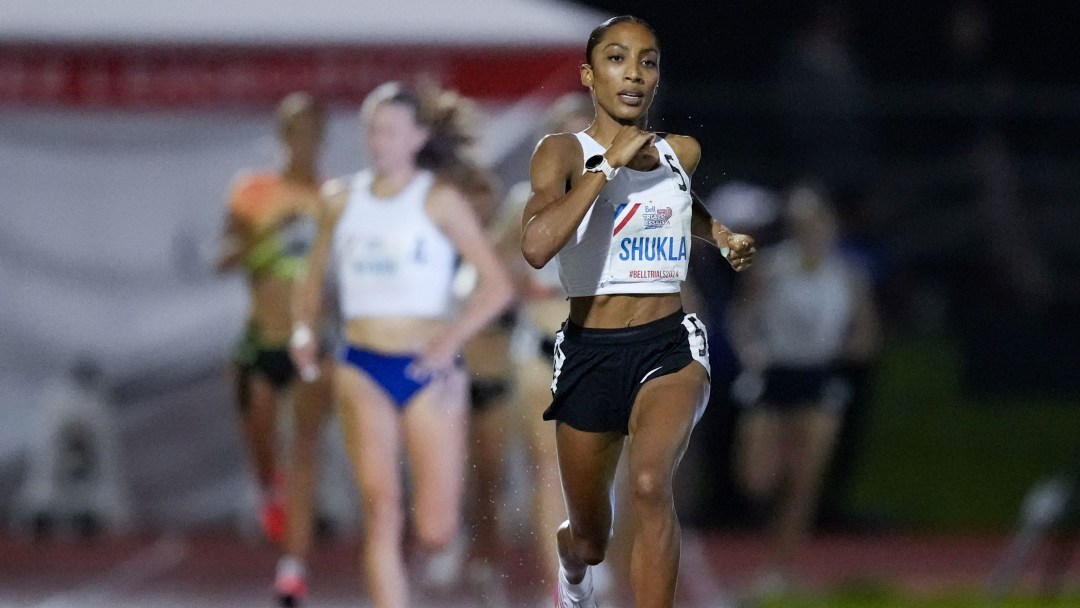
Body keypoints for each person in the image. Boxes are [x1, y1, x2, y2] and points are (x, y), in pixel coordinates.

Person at [518, 16, 756, 608]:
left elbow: (677, 201)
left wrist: (718, 232)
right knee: (592, 539)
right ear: (588, 75)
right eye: (617, 59)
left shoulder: (682, 152)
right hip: (589, 354)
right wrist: (607, 168)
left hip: (668, 346)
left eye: (647, 61)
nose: (633, 73)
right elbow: (537, 246)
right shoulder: (562, 152)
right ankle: (573, 576)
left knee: (651, 484)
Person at [290, 81, 515, 608]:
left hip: (425, 369)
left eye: (391, 130)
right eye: (372, 128)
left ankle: (445, 535)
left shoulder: (440, 202)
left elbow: (497, 287)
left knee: (434, 529)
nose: (379, 140)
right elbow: (312, 277)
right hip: (361, 363)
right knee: (381, 507)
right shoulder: (339, 200)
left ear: (416, 137)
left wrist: (450, 339)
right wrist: (303, 329)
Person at [726, 182, 881, 597]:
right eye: (806, 226)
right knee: (756, 478)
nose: (815, 234)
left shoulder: (848, 274)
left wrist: (844, 351)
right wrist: (752, 352)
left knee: (805, 480)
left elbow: (866, 333)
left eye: (821, 226)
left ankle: (781, 567)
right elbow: (741, 319)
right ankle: (770, 525)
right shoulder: (773, 268)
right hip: (775, 374)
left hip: (818, 377)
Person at [215, 91, 336, 606]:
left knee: (305, 448)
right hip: (259, 338)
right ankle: (268, 488)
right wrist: (266, 238)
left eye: (312, 133)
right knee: (262, 438)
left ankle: (292, 569)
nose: (303, 143)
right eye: (294, 133)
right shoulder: (253, 191)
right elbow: (223, 258)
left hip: (311, 341)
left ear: (322, 139)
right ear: (282, 136)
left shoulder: (334, 196)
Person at [494, 92, 596, 602]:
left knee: (595, 466)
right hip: (538, 347)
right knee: (546, 468)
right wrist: (522, 286)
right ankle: (558, 585)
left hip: (596, 350)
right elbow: (492, 264)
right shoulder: (524, 202)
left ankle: (592, 566)